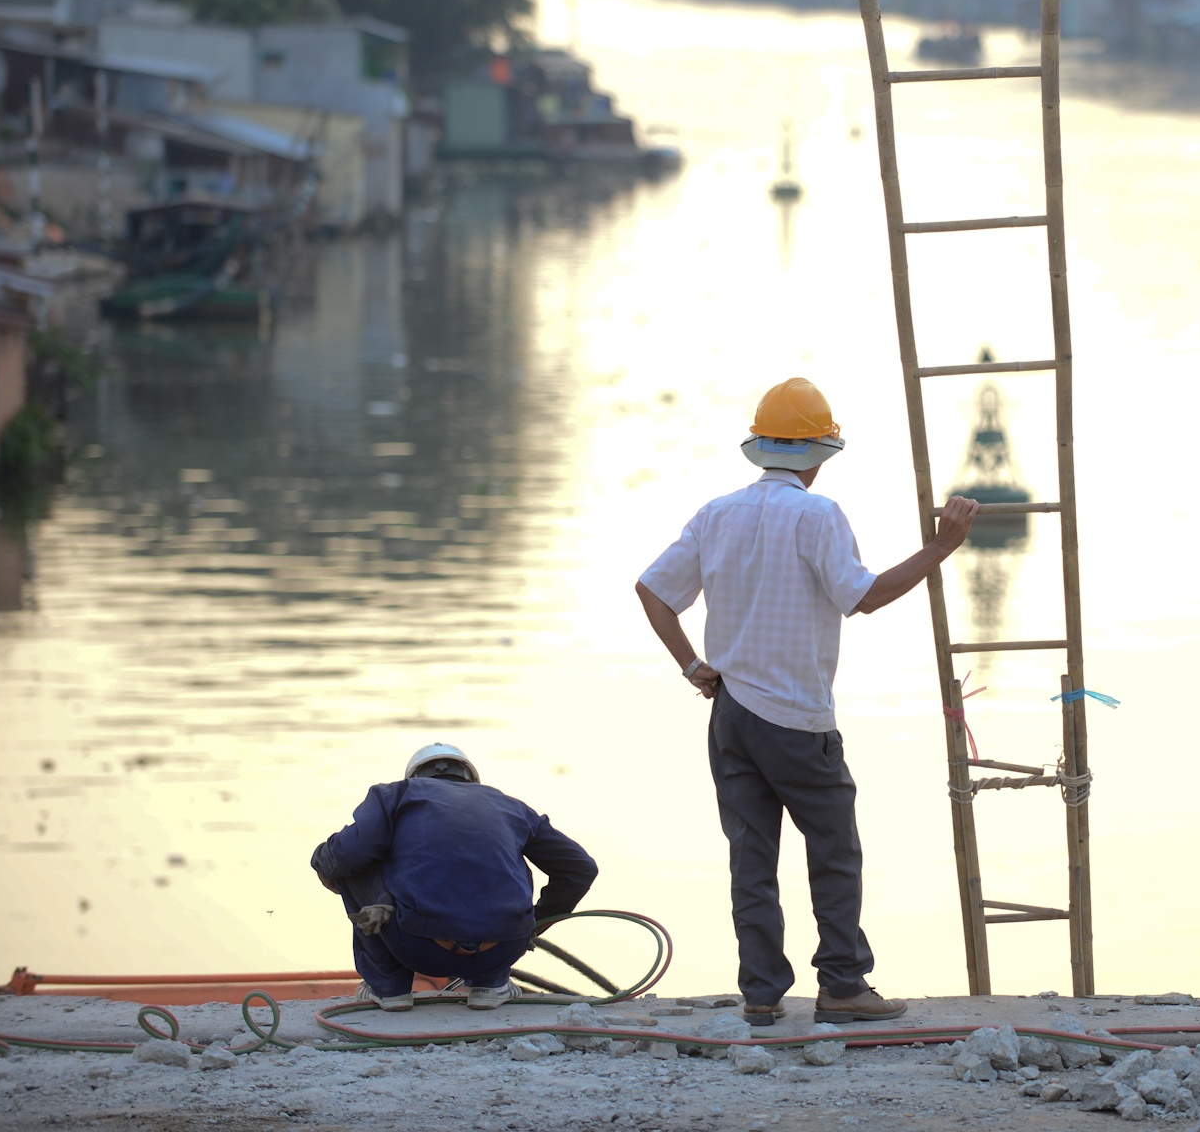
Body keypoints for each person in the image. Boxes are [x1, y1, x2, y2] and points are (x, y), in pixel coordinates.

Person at [636, 377, 979, 1027]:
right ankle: (843, 983)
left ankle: (761, 993)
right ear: (819, 456)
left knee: (750, 856)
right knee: (832, 848)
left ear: (761, 447)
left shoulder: (716, 514)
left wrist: (690, 664)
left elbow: (652, 590)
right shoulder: (817, 516)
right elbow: (864, 596)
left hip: (730, 711)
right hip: (794, 718)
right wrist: (940, 548)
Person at [311, 743, 598, 1011]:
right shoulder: (512, 807)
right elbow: (580, 868)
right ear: (471, 779)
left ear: (414, 776)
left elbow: (347, 854)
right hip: (503, 948)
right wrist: (533, 926)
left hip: (416, 944)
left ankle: (388, 987)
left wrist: (323, 863)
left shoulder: (395, 795)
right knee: (503, 860)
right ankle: (491, 985)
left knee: (352, 861)